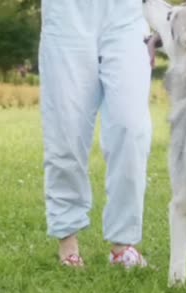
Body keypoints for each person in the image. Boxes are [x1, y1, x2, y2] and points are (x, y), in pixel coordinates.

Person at [39, 0, 161, 268]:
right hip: (66, 16)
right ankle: (67, 242)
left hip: (125, 17)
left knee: (131, 128)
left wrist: (160, 16)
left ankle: (123, 244)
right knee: (66, 132)